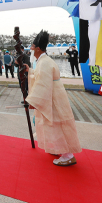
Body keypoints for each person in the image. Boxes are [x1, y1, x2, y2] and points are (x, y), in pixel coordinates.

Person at [24, 31, 81, 166]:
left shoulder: (44, 62)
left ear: (38, 48)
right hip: (54, 95)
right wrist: (30, 71)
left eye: (32, 47)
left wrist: (34, 101)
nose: (31, 49)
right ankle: (59, 149)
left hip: (52, 97)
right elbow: (40, 77)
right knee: (54, 124)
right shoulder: (44, 61)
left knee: (57, 124)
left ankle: (68, 155)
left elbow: (43, 83)